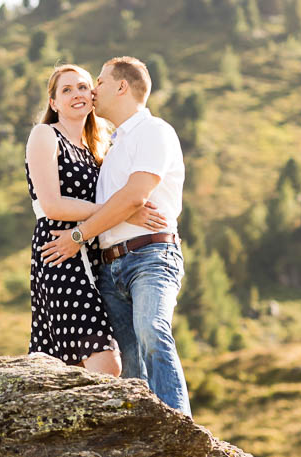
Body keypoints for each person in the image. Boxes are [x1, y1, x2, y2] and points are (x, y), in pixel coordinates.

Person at [39, 56, 192, 418]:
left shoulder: (154, 131)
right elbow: (112, 203)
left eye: (100, 82)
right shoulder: (111, 148)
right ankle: (143, 435)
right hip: (109, 266)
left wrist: (78, 236)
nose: (93, 90)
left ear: (122, 86)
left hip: (150, 255)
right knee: (130, 360)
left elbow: (135, 194)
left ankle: (179, 426)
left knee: (153, 330)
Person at [24, 64, 168, 375]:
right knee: (106, 362)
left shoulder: (98, 149)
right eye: (66, 90)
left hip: (94, 255)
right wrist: (125, 209)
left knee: (75, 364)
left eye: (83, 87)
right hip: (59, 252)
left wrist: (117, 211)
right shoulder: (45, 135)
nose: (76, 94)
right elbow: (52, 205)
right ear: (53, 103)